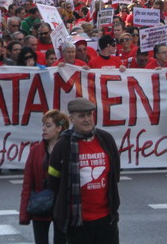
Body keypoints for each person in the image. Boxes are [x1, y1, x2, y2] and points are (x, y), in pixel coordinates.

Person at [47, 98, 121, 243]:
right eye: (81, 116)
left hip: (106, 219)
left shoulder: (106, 139)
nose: (87, 119)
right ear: (71, 119)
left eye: (89, 114)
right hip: (76, 222)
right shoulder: (63, 145)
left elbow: (115, 173)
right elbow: (53, 180)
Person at [20, 109, 68, 244]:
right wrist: (24, 213)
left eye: (48, 126)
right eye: (43, 125)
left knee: (62, 241)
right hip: (41, 205)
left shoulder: (69, 148)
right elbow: (28, 182)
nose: (44, 129)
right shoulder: (36, 150)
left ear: (59, 128)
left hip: (62, 205)